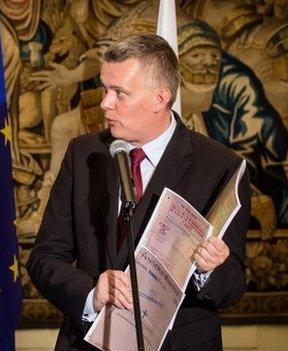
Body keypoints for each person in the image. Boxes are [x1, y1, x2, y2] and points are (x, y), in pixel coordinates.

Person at [27, 33, 250, 350]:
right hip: (89, 341)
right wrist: (92, 294)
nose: (105, 103)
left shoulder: (220, 168)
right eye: (105, 89)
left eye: (119, 93)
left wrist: (210, 269)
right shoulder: (83, 153)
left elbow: (232, 286)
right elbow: (44, 258)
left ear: (160, 98)